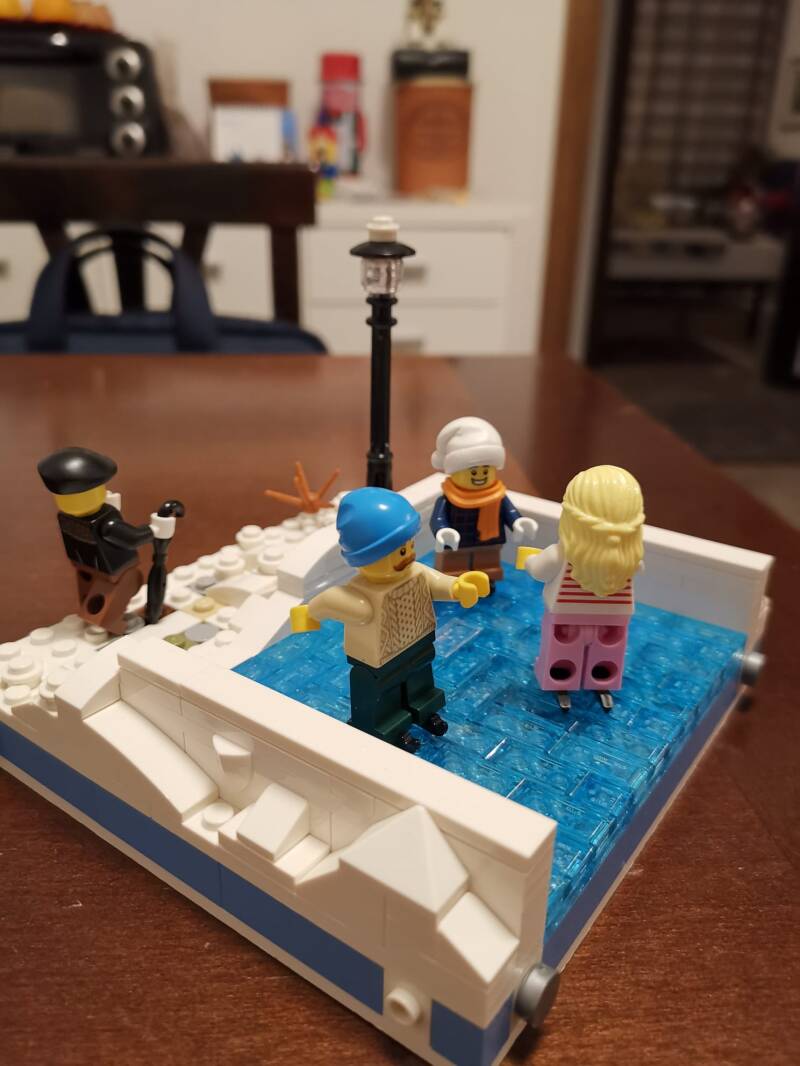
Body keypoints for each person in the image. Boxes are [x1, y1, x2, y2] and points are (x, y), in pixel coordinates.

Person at [290, 486, 489, 752]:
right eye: (400, 551)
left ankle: (425, 710)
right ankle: (381, 726)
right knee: (380, 693)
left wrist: (459, 587)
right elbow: (327, 601)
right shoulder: (360, 596)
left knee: (420, 680)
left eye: (409, 546)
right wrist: (307, 615)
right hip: (376, 660)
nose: (409, 555)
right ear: (367, 556)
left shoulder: (416, 572)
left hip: (418, 641)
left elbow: (438, 583)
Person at [521, 464, 645, 711]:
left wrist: (529, 560)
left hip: (566, 615)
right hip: (615, 618)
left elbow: (539, 571)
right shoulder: (630, 558)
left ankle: (561, 682)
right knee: (606, 654)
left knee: (561, 654)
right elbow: (638, 569)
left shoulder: (561, 554)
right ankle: (601, 680)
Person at [38, 447, 155, 635]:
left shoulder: (66, 518)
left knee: (90, 594)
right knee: (125, 587)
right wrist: (153, 530)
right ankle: (112, 624)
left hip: (83, 565)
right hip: (117, 569)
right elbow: (132, 539)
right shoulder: (105, 521)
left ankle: (91, 616)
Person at [430, 416, 537, 588]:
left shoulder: (497, 496)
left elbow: (509, 512)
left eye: (486, 470)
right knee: (454, 566)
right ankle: (455, 586)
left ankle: (486, 583)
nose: (480, 476)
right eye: (473, 472)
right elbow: (438, 518)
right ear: (455, 470)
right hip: (457, 543)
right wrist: (442, 530)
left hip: (489, 542)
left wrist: (517, 521)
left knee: (487, 564)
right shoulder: (448, 499)